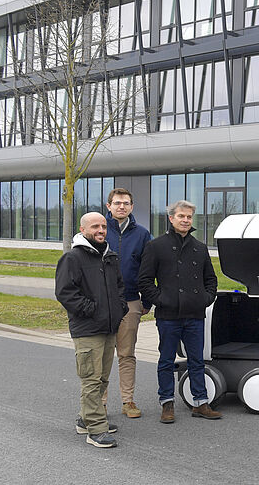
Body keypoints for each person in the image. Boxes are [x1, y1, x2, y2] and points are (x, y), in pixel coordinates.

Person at [139, 200, 221, 424]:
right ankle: (167, 403)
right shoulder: (156, 246)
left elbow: (210, 279)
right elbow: (144, 280)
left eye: (189, 217)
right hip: (168, 315)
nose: (186, 220)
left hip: (194, 314)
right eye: (181, 216)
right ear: (171, 218)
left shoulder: (199, 247)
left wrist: (206, 298)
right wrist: (161, 300)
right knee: (166, 360)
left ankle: (200, 402)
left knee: (197, 360)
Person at [55, 212, 127, 448]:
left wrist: (120, 308)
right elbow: (65, 292)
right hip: (87, 329)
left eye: (104, 226)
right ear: (83, 229)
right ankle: (96, 429)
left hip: (108, 327)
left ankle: (86, 419)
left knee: (103, 377)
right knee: (91, 379)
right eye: (95, 226)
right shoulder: (73, 258)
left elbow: (119, 287)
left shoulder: (109, 256)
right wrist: (92, 310)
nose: (101, 230)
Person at [103, 187, 151, 419]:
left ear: (132, 207)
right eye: (117, 203)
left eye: (126, 203)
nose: (121, 206)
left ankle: (128, 401)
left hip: (131, 301)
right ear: (109, 206)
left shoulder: (142, 234)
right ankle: (99, 403)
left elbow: (148, 270)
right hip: (102, 304)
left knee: (126, 354)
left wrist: (147, 301)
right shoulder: (98, 230)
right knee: (101, 355)